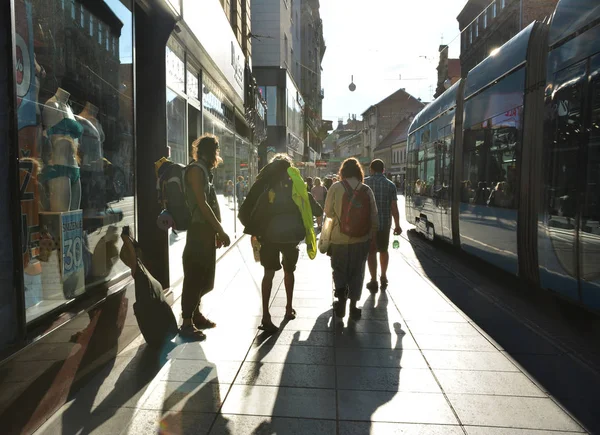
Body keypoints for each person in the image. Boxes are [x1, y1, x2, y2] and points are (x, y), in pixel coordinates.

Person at [240, 154, 322, 333]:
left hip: (268, 236)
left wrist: (255, 230)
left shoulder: (263, 185)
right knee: (289, 271)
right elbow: (317, 208)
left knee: (268, 275)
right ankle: (288, 308)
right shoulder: (296, 185)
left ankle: (266, 316)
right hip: (291, 236)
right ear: (289, 169)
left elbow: (245, 210)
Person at [180, 134, 231, 340]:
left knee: (206, 280)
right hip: (198, 230)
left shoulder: (203, 171)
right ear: (210, 151)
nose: (217, 155)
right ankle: (186, 322)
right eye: (216, 150)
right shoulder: (195, 171)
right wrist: (220, 229)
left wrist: (215, 230)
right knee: (194, 276)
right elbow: (202, 204)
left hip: (206, 231)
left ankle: (195, 314)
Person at [325, 158, 378, 320]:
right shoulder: (366, 190)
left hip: (338, 240)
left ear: (343, 172)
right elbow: (374, 217)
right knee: (357, 272)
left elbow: (328, 213)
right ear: (359, 172)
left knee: (339, 270)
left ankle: (341, 300)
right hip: (361, 240)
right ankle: (353, 307)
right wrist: (371, 237)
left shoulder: (335, 187)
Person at [364, 159, 402, 293]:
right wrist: (397, 225)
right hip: (385, 223)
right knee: (384, 250)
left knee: (371, 251)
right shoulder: (390, 185)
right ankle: (384, 276)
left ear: (371, 169)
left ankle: (373, 279)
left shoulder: (365, 183)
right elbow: (394, 207)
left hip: (369, 224)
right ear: (383, 170)